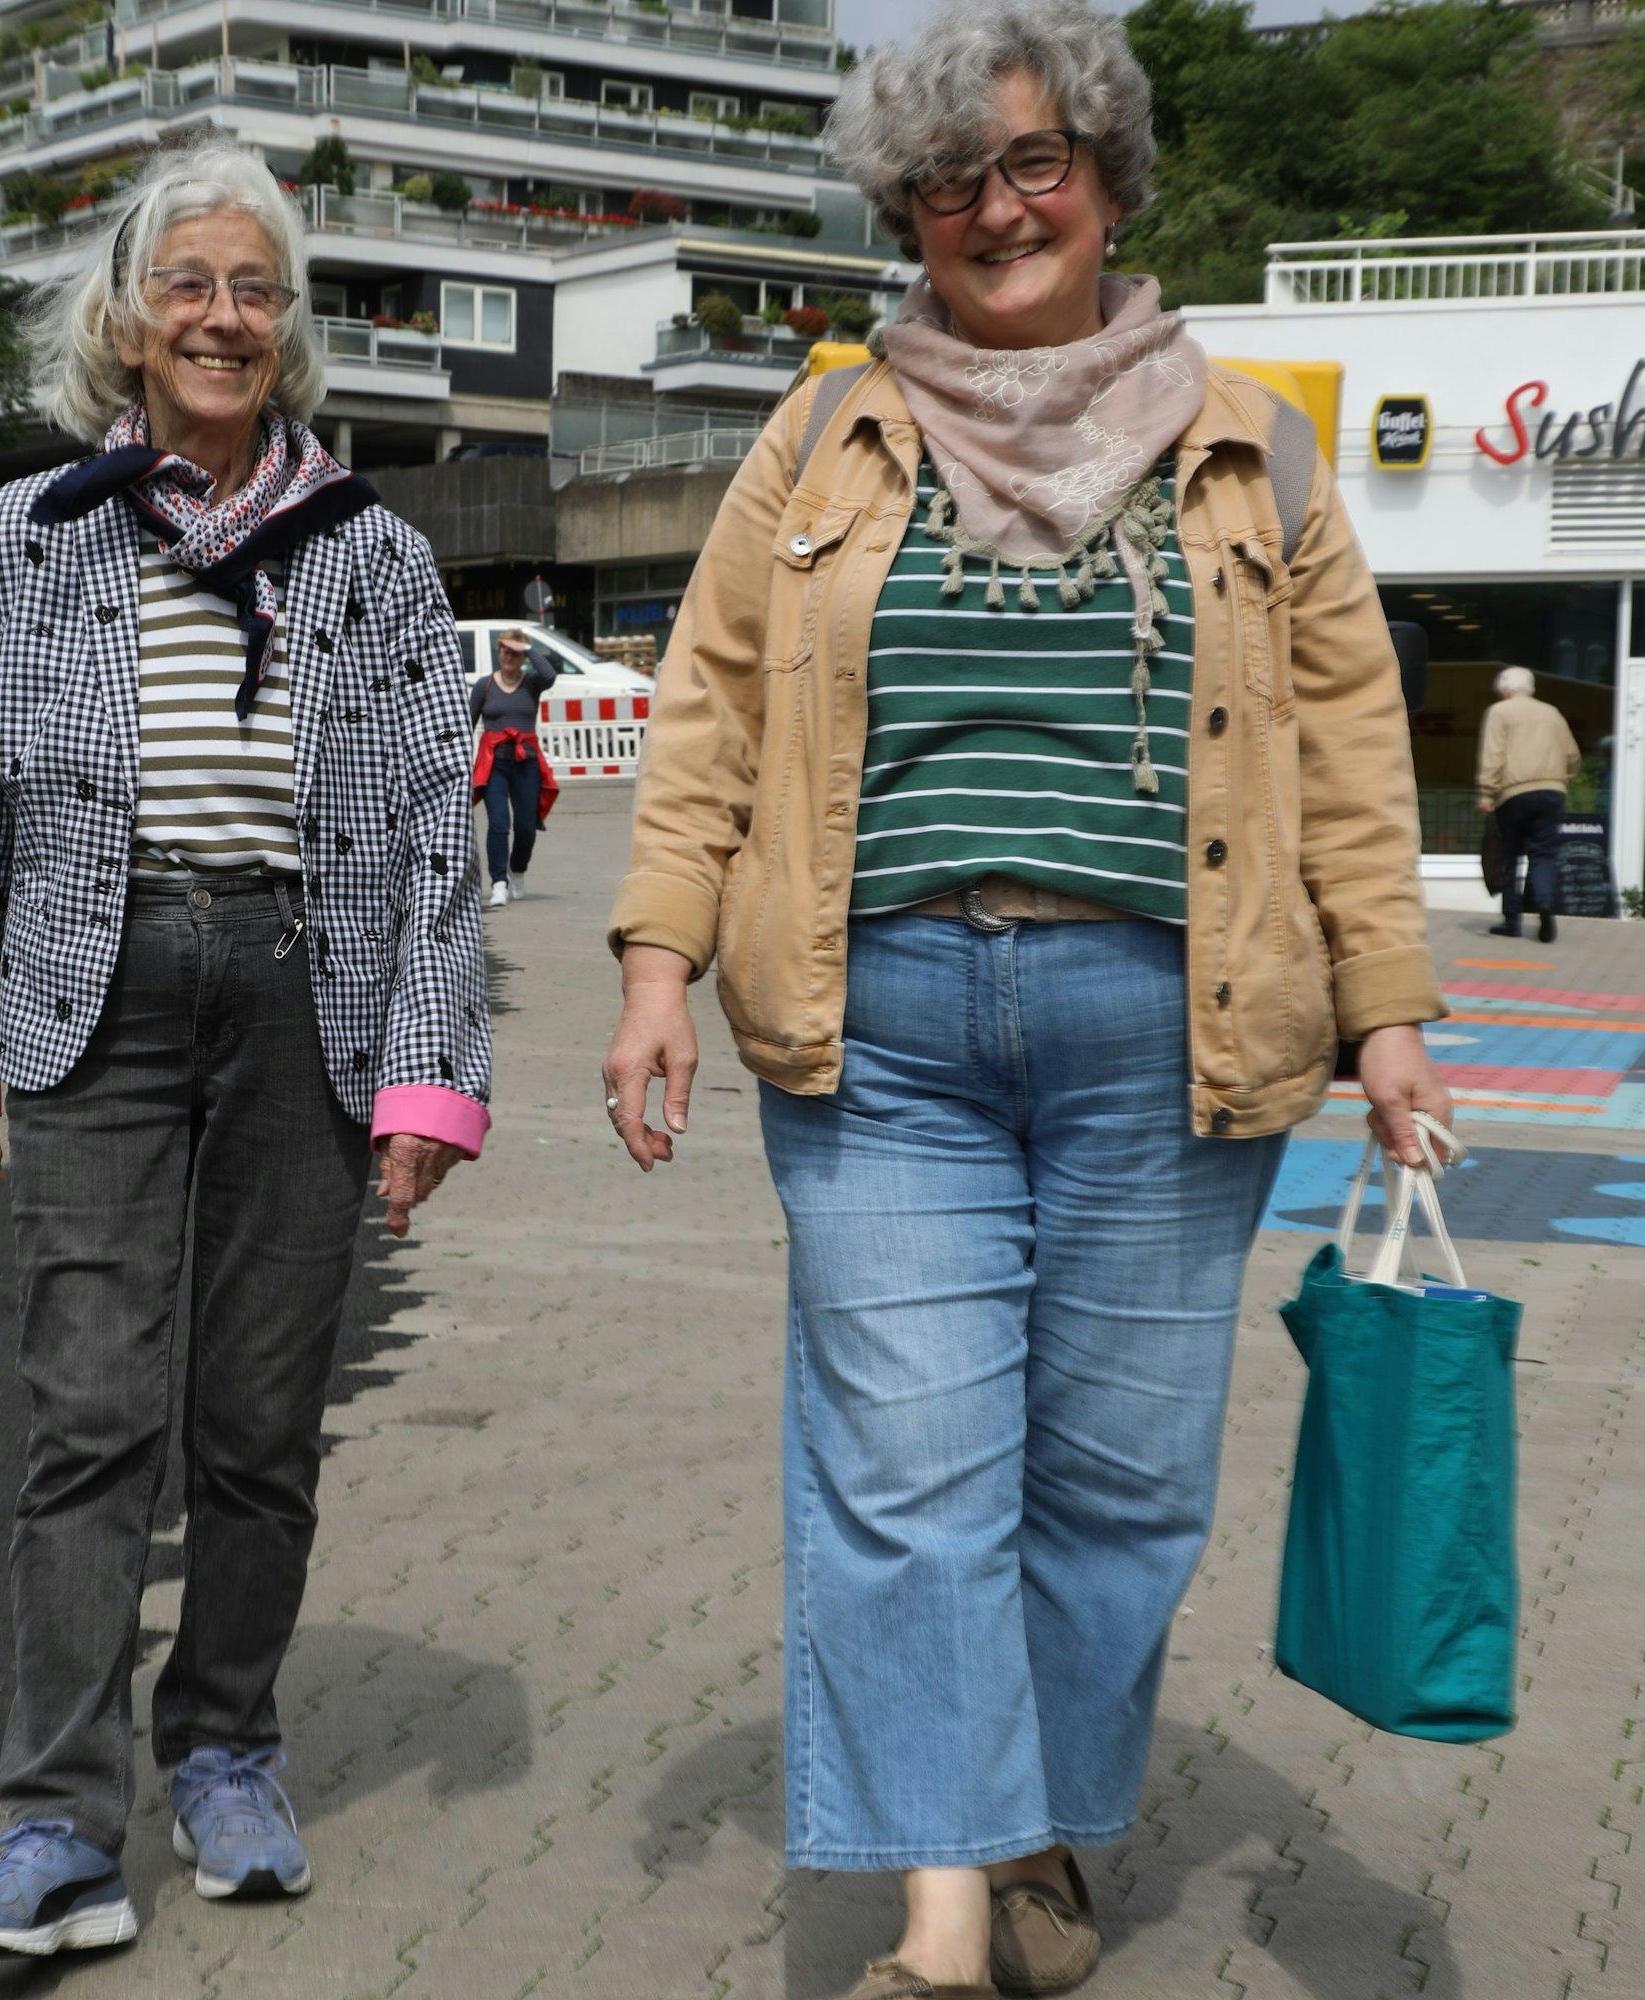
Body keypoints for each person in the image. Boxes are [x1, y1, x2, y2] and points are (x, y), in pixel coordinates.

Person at [600, 6, 1452, 1997]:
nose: (996, 210)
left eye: (1031, 162)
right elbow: (712, 703)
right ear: (904, 217)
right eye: (948, 183)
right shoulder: (819, 435)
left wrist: (1391, 1017)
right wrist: (653, 962)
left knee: (1124, 1480)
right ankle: (942, 1912)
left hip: (1172, 1029)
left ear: (1107, 174)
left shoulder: (1254, 445)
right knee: (904, 1466)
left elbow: (1346, 752)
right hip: (874, 1014)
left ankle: (1046, 1817)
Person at [0, 144, 490, 1958]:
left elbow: (424, 831)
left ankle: (227, 1743)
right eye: (191, 285)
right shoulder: (29, 534)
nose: (223, 319)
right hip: (97, 990)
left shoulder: (372, 552)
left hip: (305, 984)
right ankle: (60, 1823)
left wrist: (428, 1072)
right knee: (87, 1415)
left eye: (255, 289)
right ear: (133, 318)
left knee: (255, 1421)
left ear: (286, 325)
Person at [1477, 664, 1579, 942]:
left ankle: (1512, 921)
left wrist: (1487, 793)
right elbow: (1572, 755)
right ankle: (1545, 905)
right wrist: (1561, 780)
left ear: (1505, 689)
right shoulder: (1552, 713)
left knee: (1511, 858)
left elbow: (1493, 754)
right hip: (1552, 792)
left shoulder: (1500, 712)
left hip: (1514, 794)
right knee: (1544, 854)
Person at [469, 627, 556, 907]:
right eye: (504, 650)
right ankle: (498, 883)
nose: (508, 656)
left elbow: (550, 675)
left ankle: (517, 870)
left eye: (514, 652)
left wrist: (526, 647)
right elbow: (467, 724)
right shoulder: (485, 685)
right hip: (494, 762)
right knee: (498, 823)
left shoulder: (532, 683)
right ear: (498, 652)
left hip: (525, 762)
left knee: (526, 827)